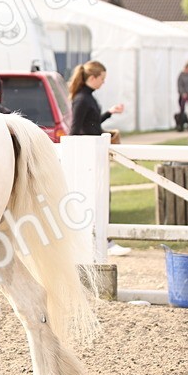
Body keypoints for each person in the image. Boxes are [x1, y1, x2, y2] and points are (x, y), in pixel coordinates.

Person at [68, 60, 129, 256]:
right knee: (99, 195)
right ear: (93, 78)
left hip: (94, 150)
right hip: (89, 154)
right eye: (102, 79)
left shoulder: (87, 97)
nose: (103, 82)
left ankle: (100, 238)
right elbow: (75, 129)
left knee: (101, 194)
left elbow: (91, 123)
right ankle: (103, 239)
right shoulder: (82, 99)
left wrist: (109, 114)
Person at [176, 61, 188, 131]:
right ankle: (180, 126)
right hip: (183, 96)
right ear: (186, 68)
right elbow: (179, 85)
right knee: (182, 111)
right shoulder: (181, 76)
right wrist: (183, 93)